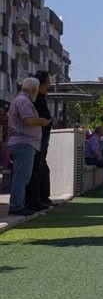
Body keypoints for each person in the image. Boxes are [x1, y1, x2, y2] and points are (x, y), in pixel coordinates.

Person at [7, 77, 51, 216]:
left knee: (22, 176)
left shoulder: (21, 100)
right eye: (37, 91)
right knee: (22, 177)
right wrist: (42, 121)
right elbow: (28, 120)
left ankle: (19, 204)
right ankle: (16, 206)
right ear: (34, 89)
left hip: (24, 143)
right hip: (23, 143)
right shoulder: (24, 101)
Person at [25, 71, 53, 208]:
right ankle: (33, 199)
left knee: (42, 168)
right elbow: (32, 119)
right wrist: (42, 122)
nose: (51, 81)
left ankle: (42, 197)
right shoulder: (35, 99)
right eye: (49, 79)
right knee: (36, 168)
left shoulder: (42, 96)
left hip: (43, 138)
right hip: (37, 138)